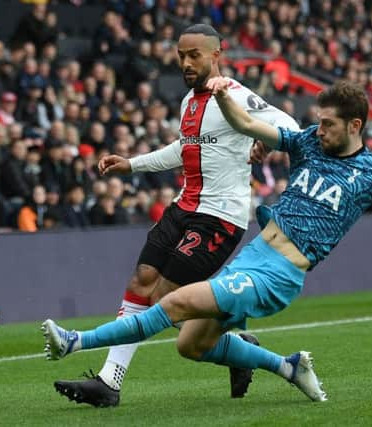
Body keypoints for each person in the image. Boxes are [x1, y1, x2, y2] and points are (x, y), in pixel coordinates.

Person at [43, 79, 372, 405]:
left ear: (355, 125)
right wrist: (225, 97)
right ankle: (288, 366)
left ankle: (75, 342)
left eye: (331, 123)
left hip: (280, 273)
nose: (320, 128)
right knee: (190, 346)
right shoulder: (310, 140)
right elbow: (254, 126)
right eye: (320, 120)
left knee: (177, 302)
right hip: (254, 254)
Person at [52, 24, 300, 407]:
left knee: (165, 297)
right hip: (184, 207)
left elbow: (289, 125)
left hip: (219, 218)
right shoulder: (189, 101)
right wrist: (131, 165)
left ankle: (225, 350)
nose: (186, 62)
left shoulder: (234, 94)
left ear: (216, 55)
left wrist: (263, 139)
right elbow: (182, 149)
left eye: (194, 55)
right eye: (181, 55)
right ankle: (112, 380)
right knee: (142, 280)